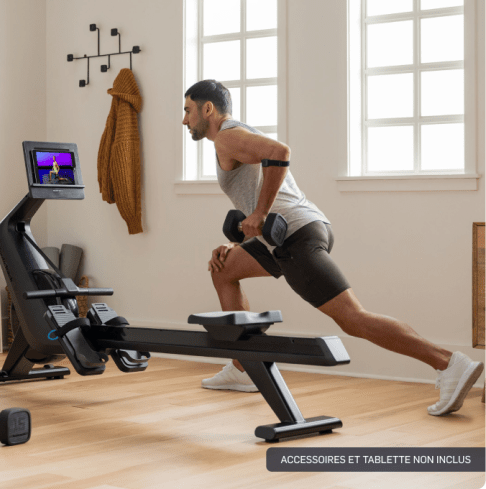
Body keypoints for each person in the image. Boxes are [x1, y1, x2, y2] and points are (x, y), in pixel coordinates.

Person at [182, 79, 484, 416]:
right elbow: (261, 185)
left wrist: (261, 213)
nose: (185, 120)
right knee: (225, 269)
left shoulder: (226, 134)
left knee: (354, 319)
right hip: (288, 233)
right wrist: (246, 232)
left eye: (188, 110)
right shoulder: (233, 137)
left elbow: (280, 153)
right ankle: (242, 368)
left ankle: (447, 363)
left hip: (294, 236)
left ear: (207, 109)